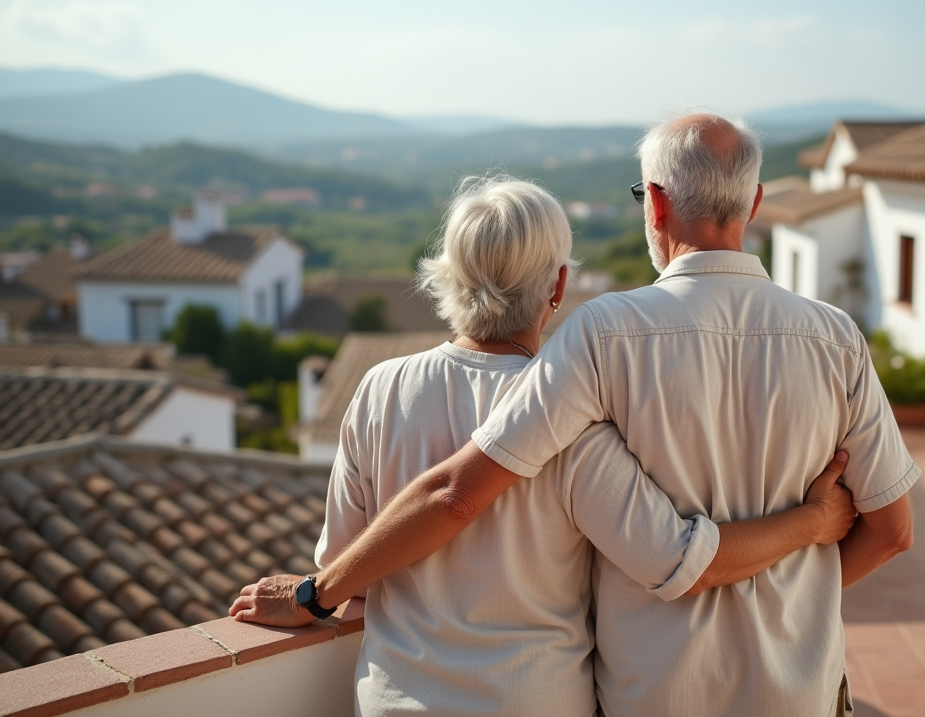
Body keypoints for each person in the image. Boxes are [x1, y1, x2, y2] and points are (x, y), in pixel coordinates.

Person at [232, 175, 859, 717]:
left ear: (448, 277)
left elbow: (349, 566)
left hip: (397, 701)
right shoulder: (574, 423)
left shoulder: (378, 392)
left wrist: (315, 592)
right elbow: (679, 564)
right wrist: (812, 521)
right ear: (557, 288)